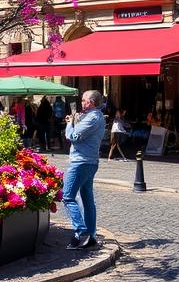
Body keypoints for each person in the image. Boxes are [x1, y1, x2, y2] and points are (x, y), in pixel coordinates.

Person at [63, 89, 105, 251]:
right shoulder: (93, 117)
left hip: (81, 162)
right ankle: (91, 237)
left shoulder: (94, 117)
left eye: (83, 100)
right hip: (89, 161)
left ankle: (82, 231)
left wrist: (70, 124)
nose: (81, 103)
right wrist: (76, 121)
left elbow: (73, 136)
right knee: (87, 200)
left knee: (68, 197)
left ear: (91, 103)